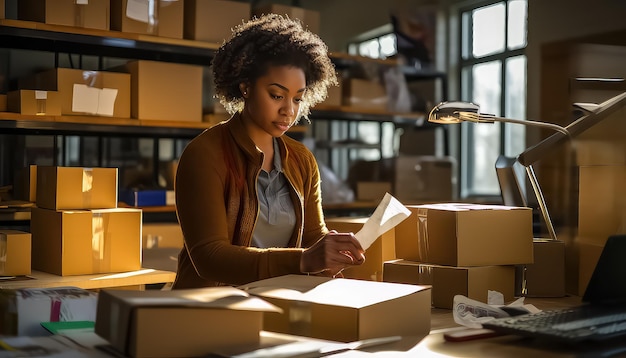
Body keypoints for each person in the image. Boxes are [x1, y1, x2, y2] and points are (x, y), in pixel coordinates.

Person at [172, 13, 366, 289]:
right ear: (245, 87)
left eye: (298, 98)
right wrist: (301, 260)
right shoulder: (204, 154)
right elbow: (209, 257)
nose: (289, 110)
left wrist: (331, 251)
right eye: (277, 95)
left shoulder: (302, 160)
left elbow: (312, 237)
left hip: (279, 304)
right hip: (210, 309)